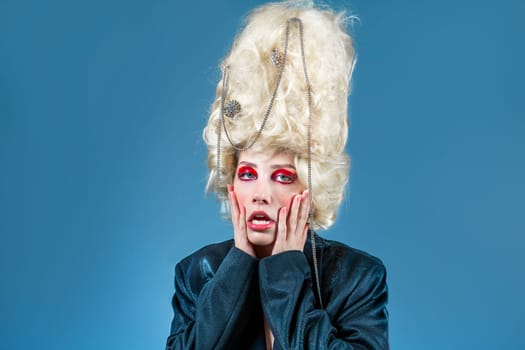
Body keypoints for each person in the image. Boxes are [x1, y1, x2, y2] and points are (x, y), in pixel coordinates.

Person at [166, 1, 389, 349]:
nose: (261, 194)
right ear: (231, 182)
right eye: (248, 173)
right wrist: (239, 263)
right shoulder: (198, 272)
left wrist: (285, 271)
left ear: (311, 187)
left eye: (283, 176)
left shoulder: (358, 278)